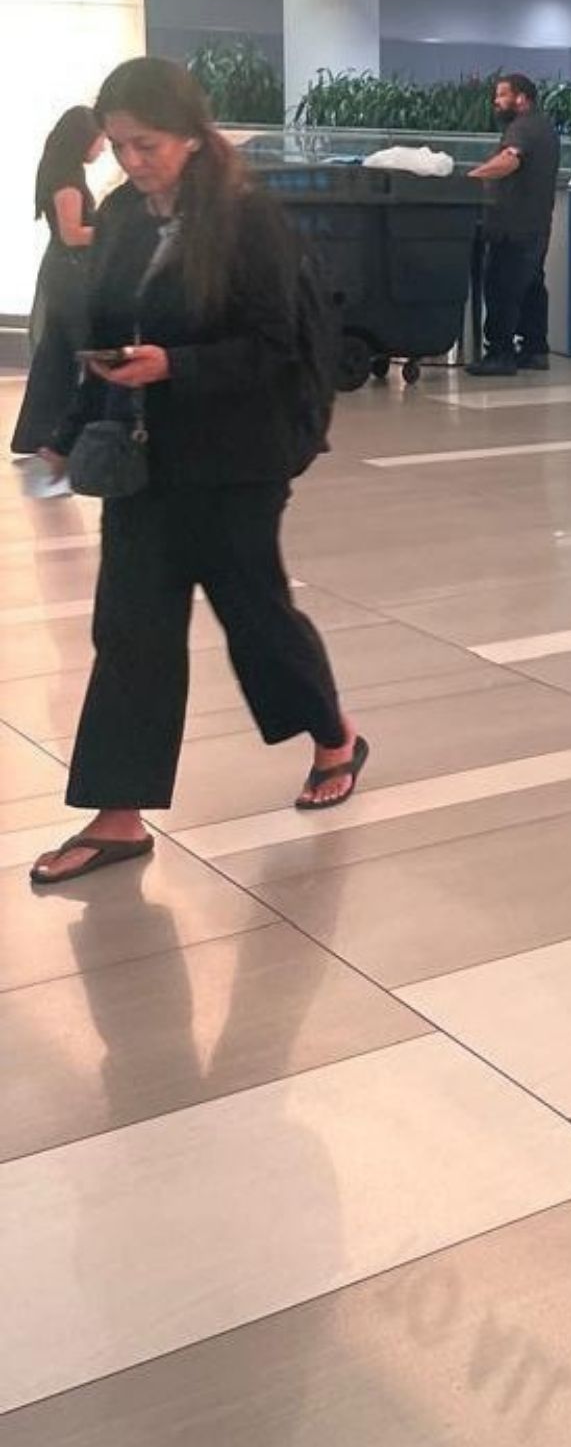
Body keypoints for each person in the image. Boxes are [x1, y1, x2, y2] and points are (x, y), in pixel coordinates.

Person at [28, 58, 366, 888]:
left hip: (237, 458)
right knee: (130, 629)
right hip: (143, 457)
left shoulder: (247, 219)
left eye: (146, 144)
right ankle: (117, 813)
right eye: (119, 146)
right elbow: (102, 328)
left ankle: (335, 736)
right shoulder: (121, 216)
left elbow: (275, 345)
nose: (131, 161)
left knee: (255, 615)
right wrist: (69, 429)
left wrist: (173, 365)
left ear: (188, 135)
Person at [11, 107, 106, 488]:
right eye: (100, 140)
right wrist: (113, 229)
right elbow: (72, 234)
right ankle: (78, 430)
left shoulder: (60, 171)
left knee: (54, 354)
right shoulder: (68, 179)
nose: (103, 147)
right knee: (85, 346)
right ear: (84, 138)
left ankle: (37, 434)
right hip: (71, 272)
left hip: (61, 270)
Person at [466, 72, 559, 376]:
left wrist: (471, 178)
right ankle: (535, 350)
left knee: (501, 288)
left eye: (502, 95)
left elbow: (509, 160)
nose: (496, 101)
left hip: (513, 228)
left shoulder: (523, 128)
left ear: (521, 98)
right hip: (536, 225)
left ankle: (500, 354)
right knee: (531, 287)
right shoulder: (544, 127)